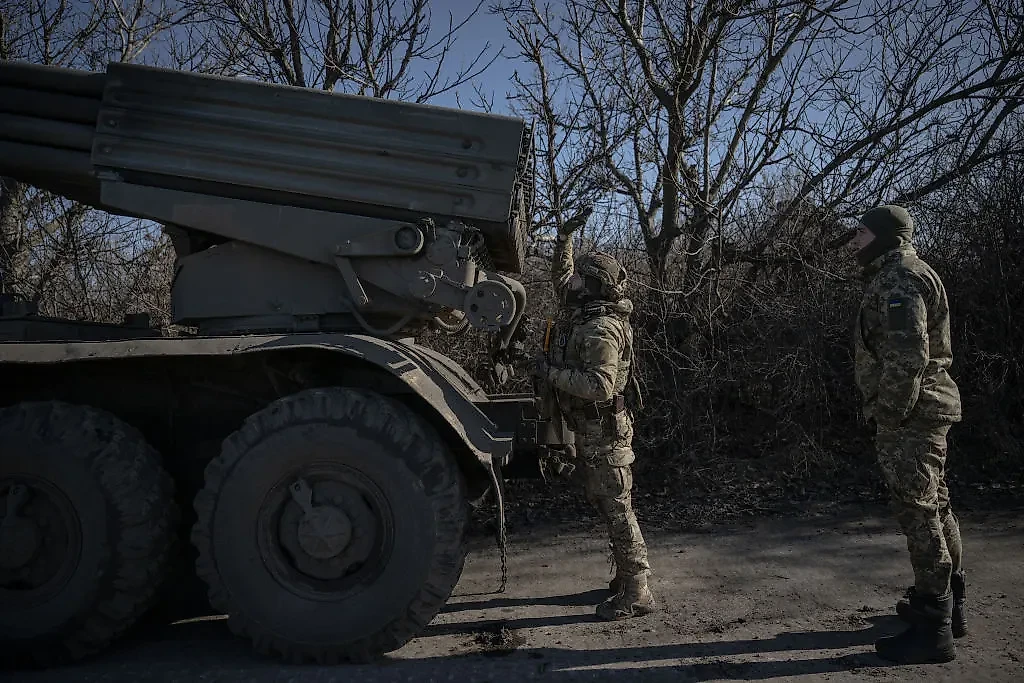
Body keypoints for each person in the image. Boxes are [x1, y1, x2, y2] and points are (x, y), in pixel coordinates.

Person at [833, 204, 967, 664]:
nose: (854, 241)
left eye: (861, 233)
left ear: (884, 237)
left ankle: (933, 627)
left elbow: (908, 356)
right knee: (935, 504)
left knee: (918, 511)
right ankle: (951, 604)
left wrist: (889, 415)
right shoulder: (907, 272)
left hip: (912, 414)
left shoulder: (898, 280)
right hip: (926, 409)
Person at [533, 215, 655, 621]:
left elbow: (600, 385)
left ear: (594, 286)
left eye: (580, 279)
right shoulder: (585, 313)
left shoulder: (600, 328)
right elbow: (562, 278)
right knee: (607, 503)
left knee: (617, 507)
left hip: (604, 431)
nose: (572, 283)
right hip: (591, 429)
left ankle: (637, 589)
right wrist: (563, 239)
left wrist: (551, 374)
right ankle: (626, 577)